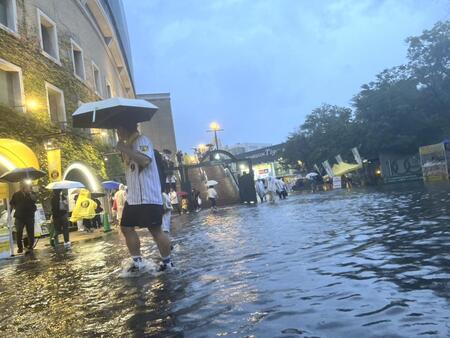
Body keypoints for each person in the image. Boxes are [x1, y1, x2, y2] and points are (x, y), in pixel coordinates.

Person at [116, 121, 173, 274]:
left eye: (118, 129)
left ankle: (168, 263)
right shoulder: (128, 143)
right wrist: (124, 148)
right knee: (126, 227)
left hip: (148, 195)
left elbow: (145, 160)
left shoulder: (142, 140)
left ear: (123, 128)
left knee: (155, 230)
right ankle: (137, 262)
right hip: (133, 196)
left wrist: (125, 149)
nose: (116, 132)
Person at [10, 182, 37, 254]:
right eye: (27, 187)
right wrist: (12, 211)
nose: (29, 188)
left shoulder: (32, 194)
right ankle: (20, 247)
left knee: (31, 231)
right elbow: (12, 204)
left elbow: (35, 200)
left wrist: (30, 194)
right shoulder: (16, 194)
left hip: (29, 216)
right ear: (23, 188)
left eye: (29, 187)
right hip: (19, 217)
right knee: (19, 232)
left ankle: (30, 246)